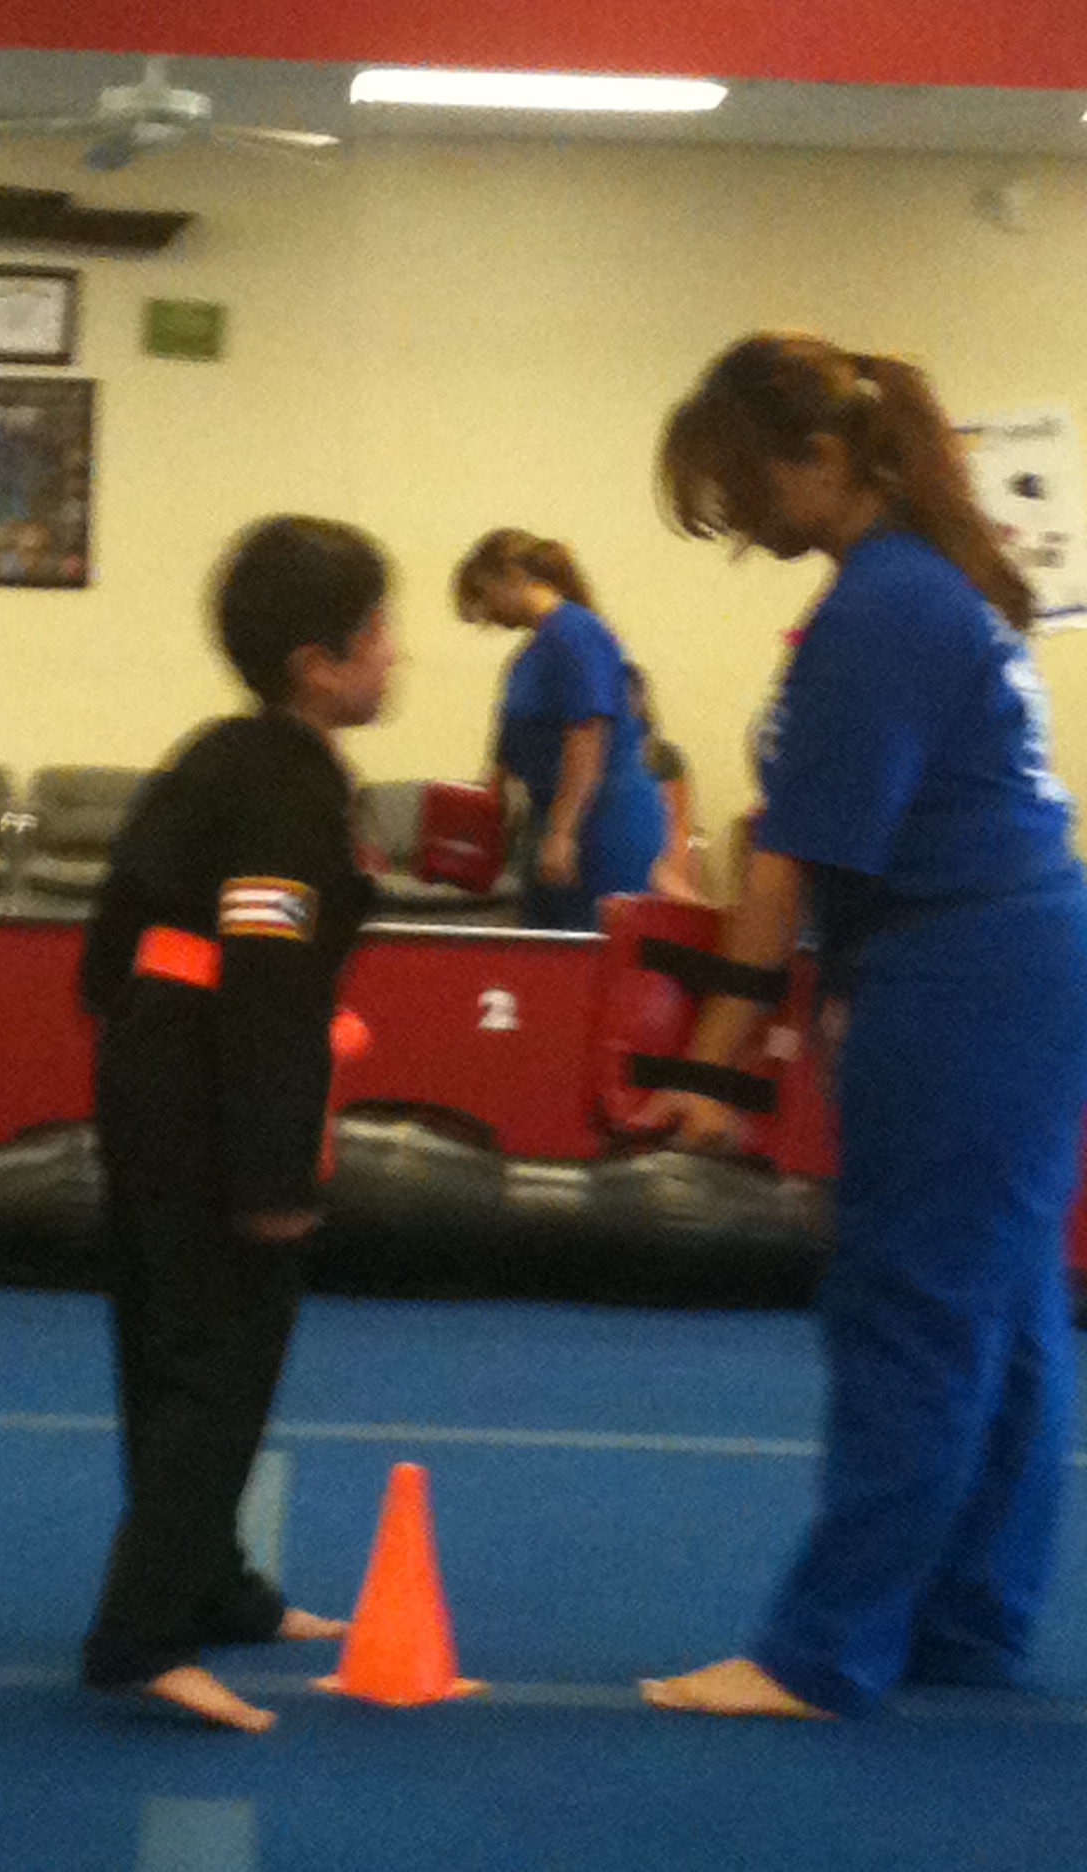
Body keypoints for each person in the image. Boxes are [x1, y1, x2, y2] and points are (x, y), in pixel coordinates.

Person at [635, 332, 1087, 1719]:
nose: (738, 525)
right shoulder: (933, 585)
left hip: (967, 965)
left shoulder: (882, 606)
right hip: (1009, 950)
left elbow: (788, 866)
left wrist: (711, 1071)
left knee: (912, 1302)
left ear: (825, 458)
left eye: (746, 487)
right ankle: (966, 1619)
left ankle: (823, 1651)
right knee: (1003, 1300)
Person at [78, 515, 394, 1732]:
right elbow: (269, 975)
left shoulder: (219, 755)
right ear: (319, 663)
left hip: (156, 1055)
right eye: (377, 634)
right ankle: (142, 1631)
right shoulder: (288, 785)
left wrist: (139, 1028)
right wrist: (272, 1173)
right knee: (222, 1352)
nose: (392, 655)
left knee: (167, 1337)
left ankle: (212, 1583)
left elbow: (111, 931)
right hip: (215, 1070)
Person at [454, 529, 665, 929]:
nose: (486, 614)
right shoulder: (529, 655)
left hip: (599, 823)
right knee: (544, 947)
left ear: (512, 575)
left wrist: (562, 834)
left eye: (483, 595)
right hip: (550, 819)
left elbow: (586, 735)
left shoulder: (576, 631)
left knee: (589, 946)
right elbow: (506, 754)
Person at [626, 663, 711, 904]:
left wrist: (687, 901)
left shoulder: (662, 758)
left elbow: (678, 831)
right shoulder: (584, 764)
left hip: (660, 879)